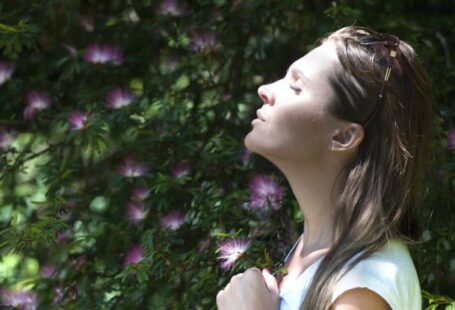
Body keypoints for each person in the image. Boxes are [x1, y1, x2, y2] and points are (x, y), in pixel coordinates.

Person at [216, 26, 434, 310]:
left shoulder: (362, 285)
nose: (265, 90)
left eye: (295, 86)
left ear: (343, 137)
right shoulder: (312, 254)